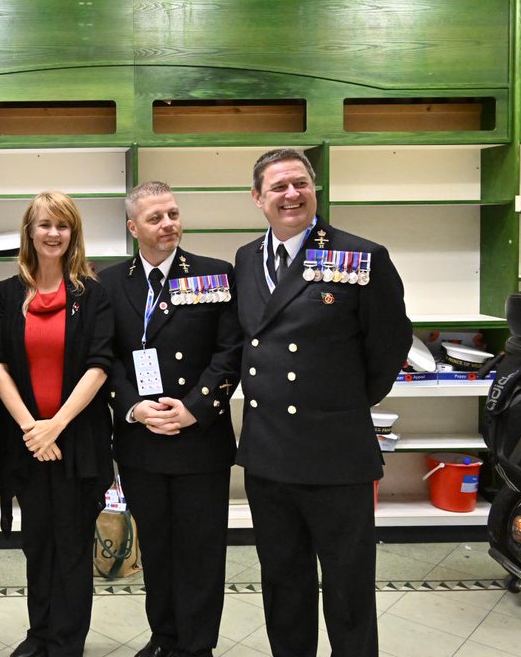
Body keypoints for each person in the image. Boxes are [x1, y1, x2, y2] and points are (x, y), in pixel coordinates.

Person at [233, 148, 411, 657]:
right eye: (278, 187)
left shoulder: (360, 256)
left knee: (347, 584)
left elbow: (388, 347)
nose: (291, 194)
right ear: (258, 198)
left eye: (300, 184)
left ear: (315, 189)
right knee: (283, 582)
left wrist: (339, 405)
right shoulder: (246, 259)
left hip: (335, 453)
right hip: (268, 455)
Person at [99, 181, 240, 657]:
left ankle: (198, 646)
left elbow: (229, 353)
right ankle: (164, 638)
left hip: (200, 436)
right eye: (156, 218)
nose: (168, 225)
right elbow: (106, 358)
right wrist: (133, 407)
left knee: (200, 551)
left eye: (174, 214)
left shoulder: (214, 275)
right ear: (132, 226)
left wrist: (195, 408)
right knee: (156, 547)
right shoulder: (109, 282)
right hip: (142, 438)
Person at [0, 191, 114, 657]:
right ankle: (39, 635)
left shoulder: (93, 294)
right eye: (44, 224)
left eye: (62, 225)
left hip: (77, 441)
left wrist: (54, 425)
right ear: (30, 232)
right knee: (37, 544)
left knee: (73, 546)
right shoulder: (3, 295)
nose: (53, 233)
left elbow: (100, 365)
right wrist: (32, 431)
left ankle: (65, 641)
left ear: (73, 233)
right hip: (27, 444)